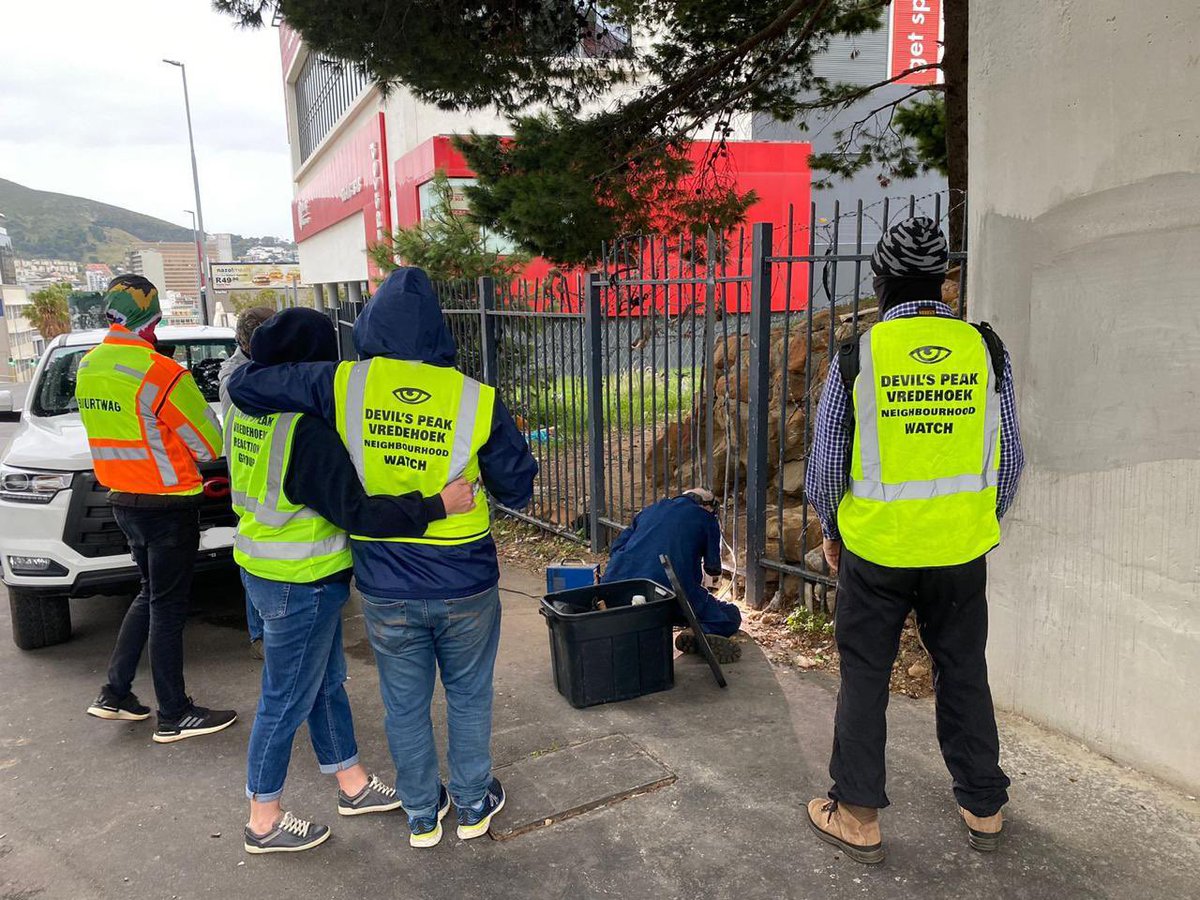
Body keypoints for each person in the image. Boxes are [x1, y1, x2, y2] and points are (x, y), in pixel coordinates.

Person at [229, 267, 537, 849]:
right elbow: (517, 487)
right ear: (439, 332)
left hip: (385, 582)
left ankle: (422, 815)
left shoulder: (342, 383)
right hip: (467, 577)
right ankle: (473, 805)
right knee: (469, 697)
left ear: (371, 324)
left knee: (403, 702)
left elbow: (249, 388)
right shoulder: (475, 398)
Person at [803, 218, 1025, 863]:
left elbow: (825, 463)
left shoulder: (860, 353)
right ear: (942, 282)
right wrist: (978, 521)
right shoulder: (985, 349)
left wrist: (832, 530)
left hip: (877, 551)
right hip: (960, 551)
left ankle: (858, 815)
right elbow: (1008, 458)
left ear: (882, 280)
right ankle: (984, 806)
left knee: (866, 676)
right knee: (964, 671)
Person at [77, 275, 237, 743]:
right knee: (168, 607)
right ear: (151, 318)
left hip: (122, 500)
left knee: (150, 594)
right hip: (167, 505)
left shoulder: (90, 365)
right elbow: (209, 443)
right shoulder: (160, 372)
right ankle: (175, 713)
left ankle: (115, 692)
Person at [601, 488, 743, 663]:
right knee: (730, 614)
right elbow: (713, 568)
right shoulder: (706, 519)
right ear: (706, 505)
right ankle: (698, 631)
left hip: (614, 589)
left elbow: (616, 548)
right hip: (668, 594)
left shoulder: (649, 510)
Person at [219, 305, 276, 659]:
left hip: (257, 469)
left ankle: (263, 628)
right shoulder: (237, 377)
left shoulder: (248, 368)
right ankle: (260, 633)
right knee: (252, 550)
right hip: (251, 471)